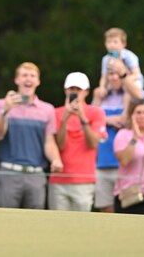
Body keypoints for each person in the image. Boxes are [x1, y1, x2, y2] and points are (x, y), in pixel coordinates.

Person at [0, 62, 61, 209]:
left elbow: (49, 142)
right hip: (9, 173)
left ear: (38, 81)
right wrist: (5, 111)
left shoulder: (47, 109)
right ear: (17, 80)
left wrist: (55, 159)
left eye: (32, 76)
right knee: (6, 222)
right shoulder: (1, 104)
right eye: (24, 75)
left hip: (36, 175)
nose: (28, 79)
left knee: (36, 224)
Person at [91, 61, 144, 212]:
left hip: (128, 165)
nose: (114, 78)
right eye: (111, 74)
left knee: (128, 210)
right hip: (103, 162)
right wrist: (107, 119)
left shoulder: (132, 94)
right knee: (106, 211)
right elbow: (90, 121)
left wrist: (125, 77)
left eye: (118, 74)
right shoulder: (101, 95)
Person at [49, 72, 107, 212]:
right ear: (65, 90)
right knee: (56, 227)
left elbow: (93, 143)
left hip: (84, 182)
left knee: (81, 229)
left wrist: (82, 117)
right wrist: (65, 118)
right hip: (58, 181)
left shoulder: (96, 112)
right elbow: (60, 145)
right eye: (71, 89)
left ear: (86, 92)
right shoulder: (56, 113)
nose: (74, 92)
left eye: (78, 89)